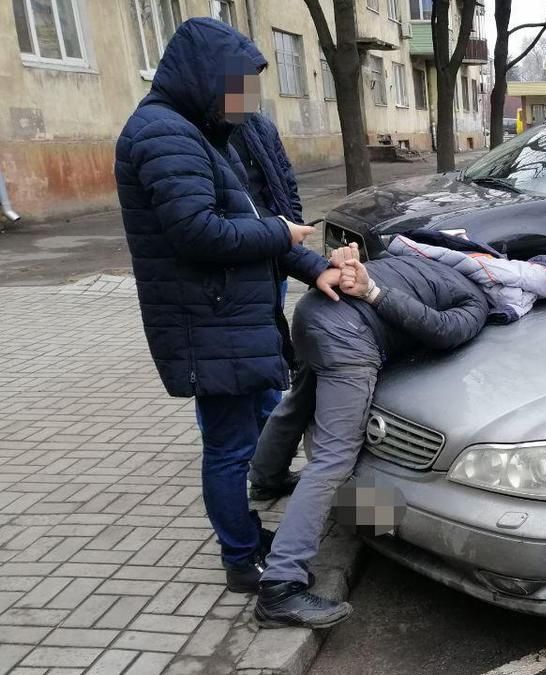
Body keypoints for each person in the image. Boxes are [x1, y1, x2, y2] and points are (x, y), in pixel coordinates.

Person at [114, 18, 342, 594]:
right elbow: (199, 232)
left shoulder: (199, 132)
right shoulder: (164, 134)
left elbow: (246, 227)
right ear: (205, 77)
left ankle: (246, 537)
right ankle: (241, 561)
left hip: (226, 316)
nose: (245, 101)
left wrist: (321, 270)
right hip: (206, 321)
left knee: (239, 438)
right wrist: (281, 234)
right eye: (237, 85)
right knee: (227, 447)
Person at [254, 243, 491, 628]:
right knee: (333, 460)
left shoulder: (420, 261)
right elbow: (445, 332)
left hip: (313, 312)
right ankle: (281, 585)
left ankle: (265, 477)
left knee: (299, 400)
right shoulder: (475, 297)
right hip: (349, 337)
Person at [228, 113, 308, 502]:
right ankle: (255, 462)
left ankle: (268, 461)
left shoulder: (259, 125)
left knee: (270, 354)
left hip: (274, 257)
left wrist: (292, 231)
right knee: (235, 390)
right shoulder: (197, 131)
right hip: (234, 273)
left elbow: (285, 183)